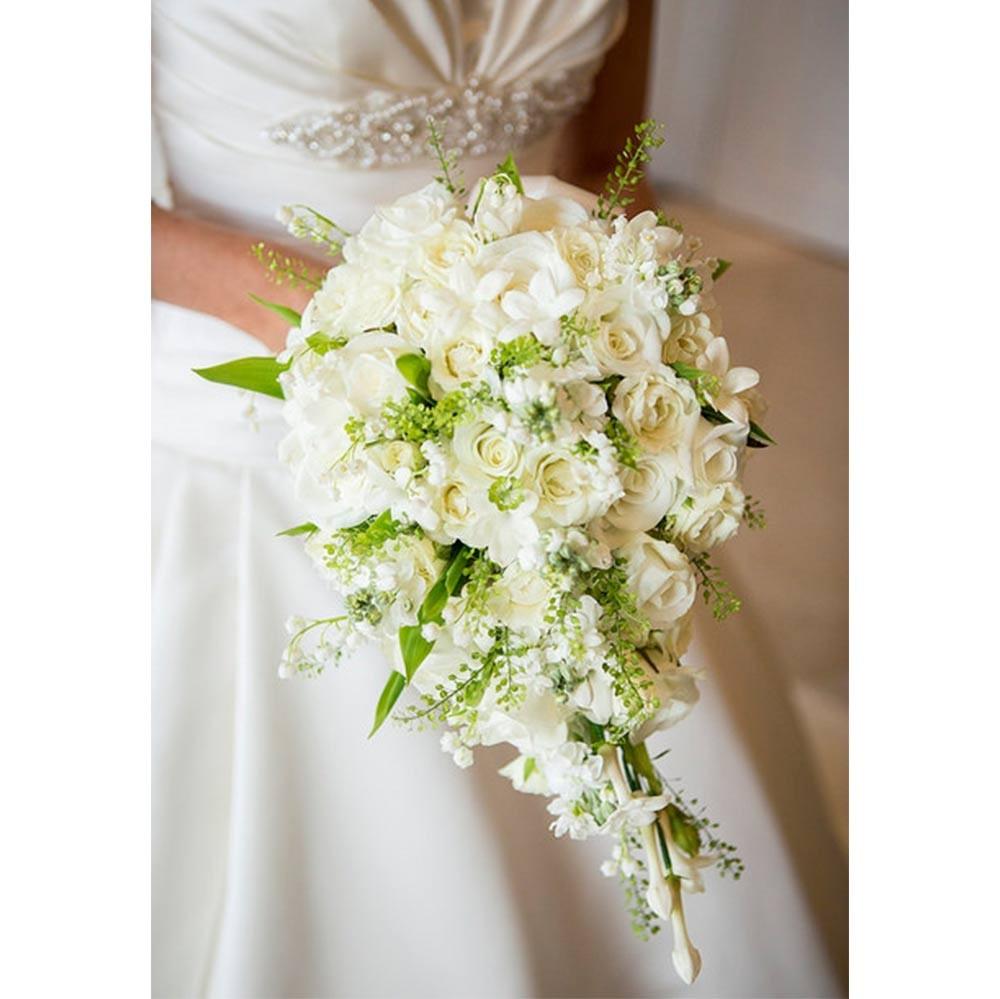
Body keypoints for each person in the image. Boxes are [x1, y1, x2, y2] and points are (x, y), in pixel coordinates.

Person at [153, 2, 843, 995]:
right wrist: (354, 324)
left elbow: (609, 156)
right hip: (259, 421)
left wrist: (634, 350)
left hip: (560, 397)